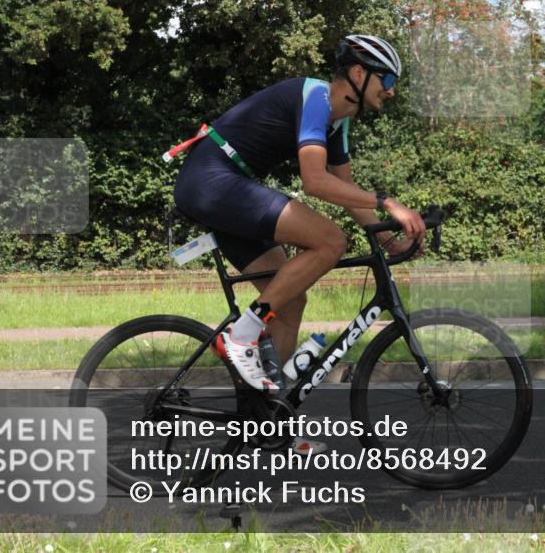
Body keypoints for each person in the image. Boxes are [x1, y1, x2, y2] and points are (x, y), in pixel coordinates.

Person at [172, 35, 425, 451]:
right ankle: (241, 337)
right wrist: (388, 203)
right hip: (212, 180)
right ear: (359, 73)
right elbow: (315, 181)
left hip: (225, 187)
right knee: (330, 241)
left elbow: (347, 193)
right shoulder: (316, 98)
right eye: (389, 79)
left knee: (289, 303)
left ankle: (268, 422)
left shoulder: (338, 122)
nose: (392, 90)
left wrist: (387, 237)